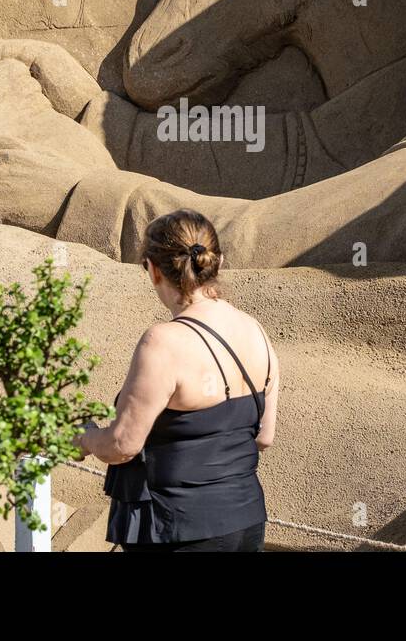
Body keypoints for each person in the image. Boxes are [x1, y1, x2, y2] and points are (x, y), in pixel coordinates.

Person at [74, 209, 280, 551]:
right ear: (218, 262)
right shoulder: (255, 330)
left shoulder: (163, 342)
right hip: (245, 524)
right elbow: (265, 436)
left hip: (179, 531)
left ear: (153, 270)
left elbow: (123, 445)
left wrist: (84, 438)